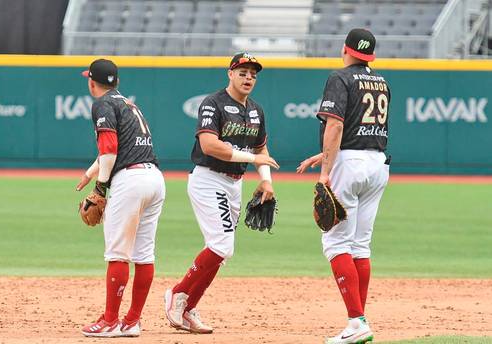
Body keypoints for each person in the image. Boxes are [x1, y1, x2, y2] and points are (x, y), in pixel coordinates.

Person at [164, 52, 279, 334]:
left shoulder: (256, 110)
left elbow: (260, 149)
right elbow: (209, 145)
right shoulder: (213, 103)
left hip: (234, 183)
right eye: (243, 72)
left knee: (221, 252)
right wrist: (253, 161)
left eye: (253, 73)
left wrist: (266, 181)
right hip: (209, 179)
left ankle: (189, 307)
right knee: (221, 246)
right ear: (230, 73)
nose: (249, 77)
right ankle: (177, 295)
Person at [297, 28, 390, 344]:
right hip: (377, 163)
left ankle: (356, 322)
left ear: (345, 49)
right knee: (360, 245)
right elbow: (359, 130)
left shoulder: (340, 77)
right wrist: (323, 155)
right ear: (371, 55)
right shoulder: (381, 81)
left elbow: (336, 124)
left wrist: (325, 172)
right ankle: (360, 320)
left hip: (349, 165)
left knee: (336, 244)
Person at [76, 59, 166, 338]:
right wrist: (92, 174)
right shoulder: (127, 103)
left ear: (92, 82)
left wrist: (101, 187)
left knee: (117, 253)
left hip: (130, 182)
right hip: (154, 179)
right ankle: (132, 321)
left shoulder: (102, 104)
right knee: (144, 254)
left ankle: (110, 321)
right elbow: (115, 149)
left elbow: (111, 150)